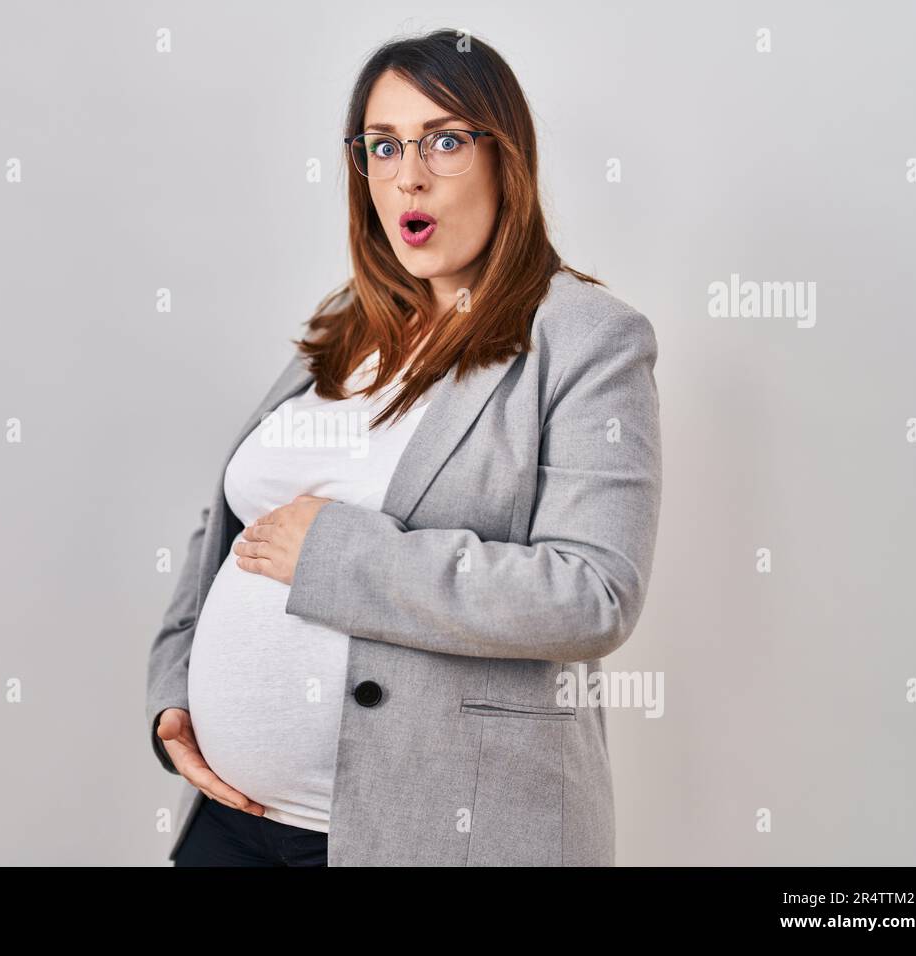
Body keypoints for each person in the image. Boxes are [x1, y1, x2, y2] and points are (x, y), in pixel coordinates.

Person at [146, 28, 662, 867]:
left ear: (509, 161)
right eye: (383, 146)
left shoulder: (586, 337)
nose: (409, 174)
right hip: (231, 825)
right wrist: (173, 690)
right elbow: (232, 526)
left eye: (446, 141)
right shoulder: (351, 323)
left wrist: (338, 555)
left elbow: (592, 593)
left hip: (437, 836)